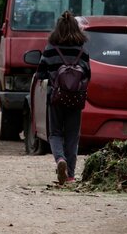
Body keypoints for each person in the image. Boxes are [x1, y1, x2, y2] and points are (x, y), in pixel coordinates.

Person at [35, 11, 91, 185]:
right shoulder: (82, 50)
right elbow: (88, 74)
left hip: (56, 97)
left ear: (58, 29)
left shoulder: (51, 48)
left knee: (55, 133)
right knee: (73, 136)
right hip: (76, 98)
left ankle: (60, 160)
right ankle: (71, 175)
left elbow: (40, 73)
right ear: (76, 28)